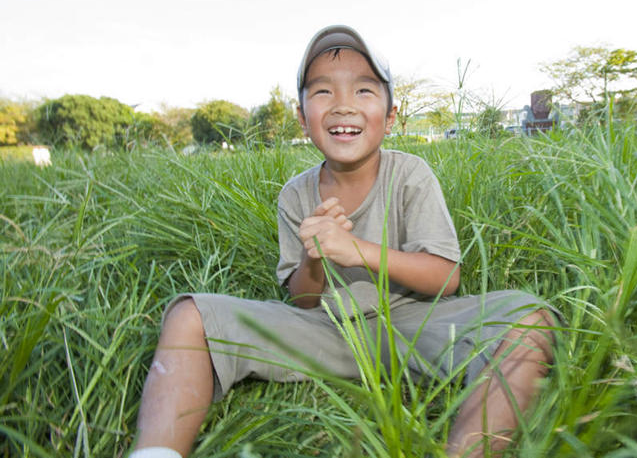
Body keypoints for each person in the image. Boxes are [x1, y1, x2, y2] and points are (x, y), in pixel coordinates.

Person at [131, 25, 558, 458]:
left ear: (391, 117)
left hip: (413, 324)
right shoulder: (296, 194)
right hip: (327, 331)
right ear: (302, 117)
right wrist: (311, 257)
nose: (342, 106)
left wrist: (360, 252)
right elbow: (302, 303)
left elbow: (446, 278)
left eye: (363, 91)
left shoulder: (410, 175)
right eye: (322, 93)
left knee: (529, 318)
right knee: (190, 315)